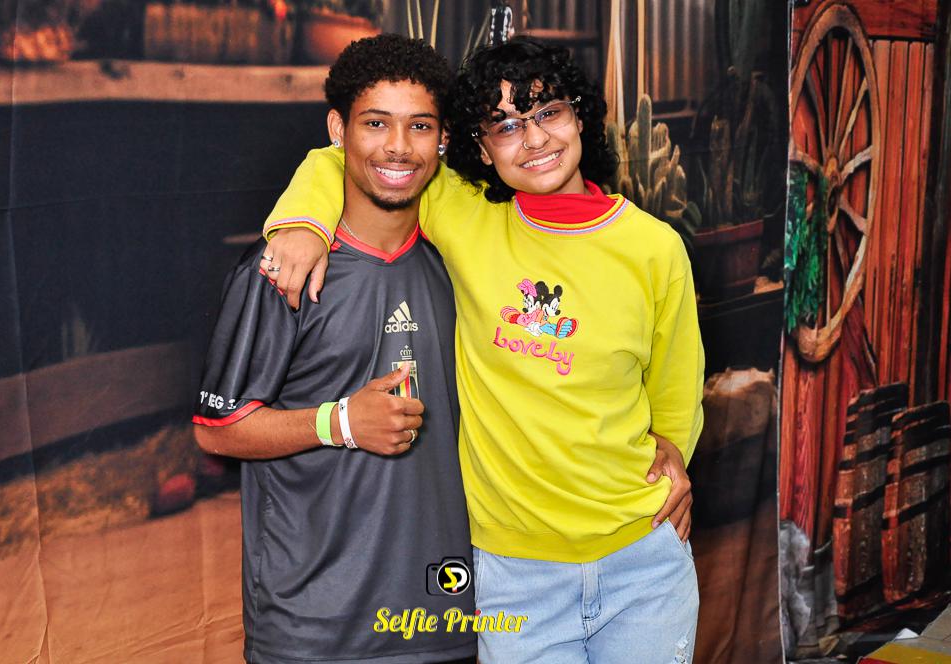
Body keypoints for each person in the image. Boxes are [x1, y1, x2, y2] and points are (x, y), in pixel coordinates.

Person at [259, 37, 704, 664]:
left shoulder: (655, 249)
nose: (535, 139)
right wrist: (301, 226)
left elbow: (676, 388)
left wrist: (676, 457)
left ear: (580, 116)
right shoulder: (466, 216)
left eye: (548, 112)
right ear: (481, 147)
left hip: (644, 561)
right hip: (516, 574)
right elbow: (349, 159)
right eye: (506, 125)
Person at [192, 35, 478, 664]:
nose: (398, 146)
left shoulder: (461, 266)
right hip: (313, 631)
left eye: (420, 126)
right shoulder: (284, 268)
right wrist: (340, 422)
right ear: (338, 130)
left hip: (445, 622)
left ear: (443, 139)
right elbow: (218, 430)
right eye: (375, 123)